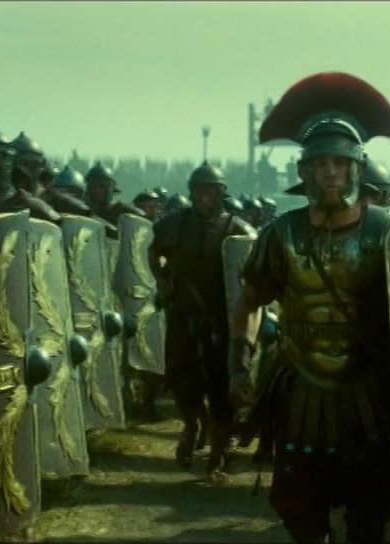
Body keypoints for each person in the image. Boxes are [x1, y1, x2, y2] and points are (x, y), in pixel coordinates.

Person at [227, 72, 390, 542]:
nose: (330, 172)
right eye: (320, 163)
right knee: (301, 513)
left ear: (357, 170)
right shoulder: (281, 234)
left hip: (369, 392)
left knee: (369, 517)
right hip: (300, 389)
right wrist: (239, 363)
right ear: (304, 173)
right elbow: (250, 302)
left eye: (340, 163)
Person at [149, 161, 254, 479]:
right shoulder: (175, 225)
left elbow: (250, 271)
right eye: (198, 191)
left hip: (222, 320)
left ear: (221, 193)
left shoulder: (238, 230)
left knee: (221, 387)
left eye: (209, 191)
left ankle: (218, 454)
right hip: (184, 316)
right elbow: (155, 251)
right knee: (183, 381)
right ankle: (191, 425)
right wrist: (162, 279)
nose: (203, 197)